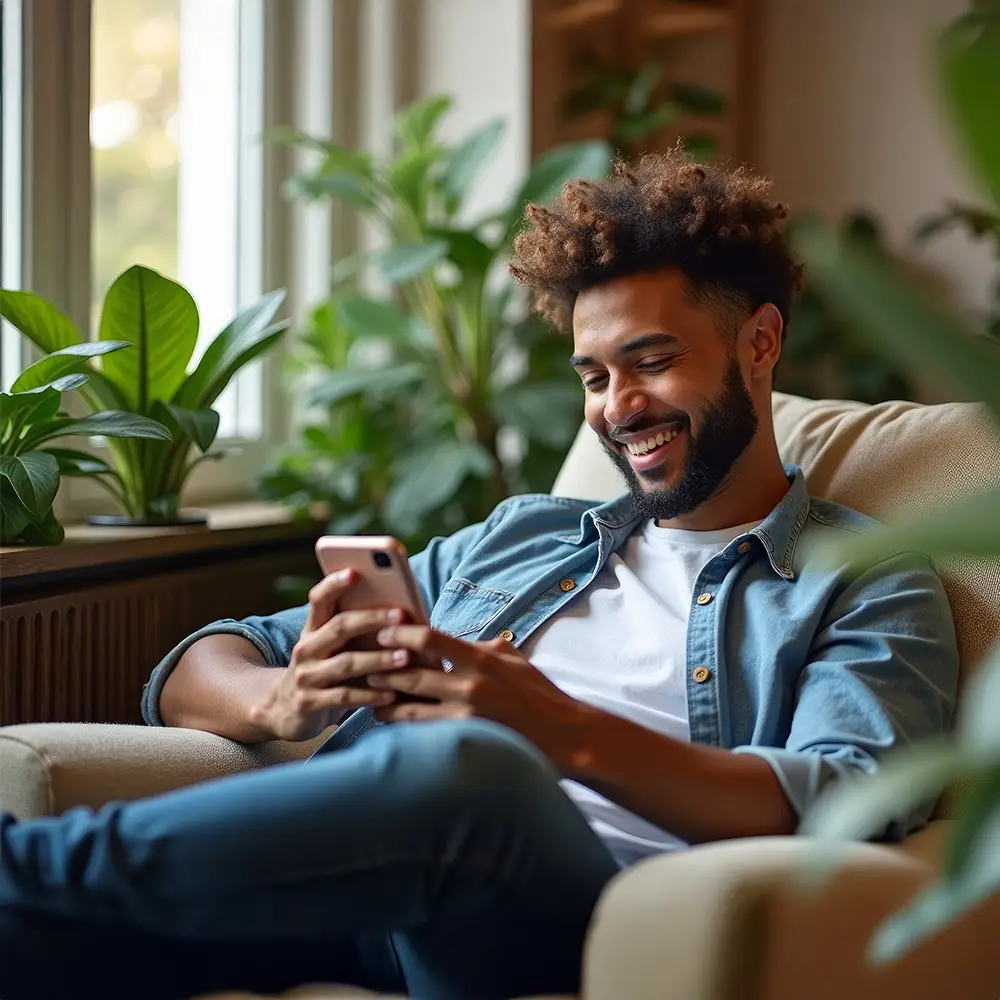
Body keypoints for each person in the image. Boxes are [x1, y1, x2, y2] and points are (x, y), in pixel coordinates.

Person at [0, 152, 959, 1000]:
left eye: (652, 362)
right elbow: (194, 665)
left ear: (759, 342)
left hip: (564, 924)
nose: (618, 409)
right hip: (361, 902)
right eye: (591, 376)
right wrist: (282, 698)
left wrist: (551, 726)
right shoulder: (522, 538)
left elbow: (844, 798)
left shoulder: (865, 577)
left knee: (473, 767)